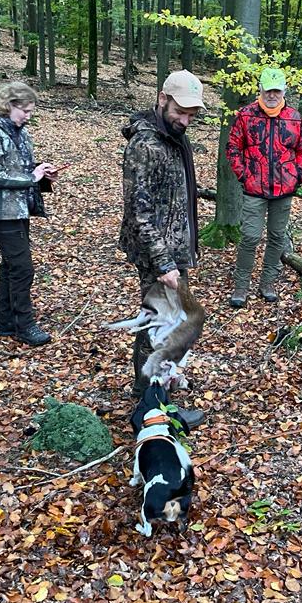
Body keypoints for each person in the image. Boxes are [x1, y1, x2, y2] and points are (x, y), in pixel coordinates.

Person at [119, 69, 204, 398]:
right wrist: (164, 263)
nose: (184, 120)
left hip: (173, 248)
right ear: (161, 99)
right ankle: (149, 402)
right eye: (179, 112)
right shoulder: (146, 145)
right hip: (158, 255)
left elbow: (170, 193)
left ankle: (156, 388)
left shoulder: (173, 138)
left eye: (191, 114)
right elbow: (139, 213)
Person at [0, 81, 59, 347]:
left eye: (31, 112)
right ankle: (24, 325)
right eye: (26, 111)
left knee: (11, 266)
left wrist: (42, 173)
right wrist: (31, 177)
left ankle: (7, 322)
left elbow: (22, 167)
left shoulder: (19, 131)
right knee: (22, 268)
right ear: (9, 106)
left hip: (18, 207)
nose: (28, 117)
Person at [226, 67, 302, 307]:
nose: (272, 95)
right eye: (268, 90)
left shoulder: (294, 117)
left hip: (284, 190)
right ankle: (240, 288)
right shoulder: (246, 115)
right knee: (250, 237)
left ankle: (268, 283)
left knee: (276, 237)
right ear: (260, 90)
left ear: (284, 90)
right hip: (255, 189)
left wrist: (297, 176)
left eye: (276, 90)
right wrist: (244, 174)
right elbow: (233, 148)